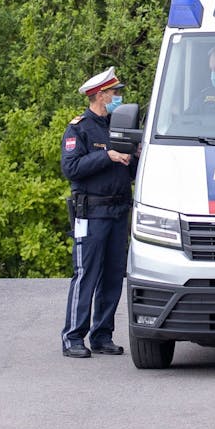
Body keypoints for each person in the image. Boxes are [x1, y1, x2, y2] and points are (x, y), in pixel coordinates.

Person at [60, 66, 137, 359]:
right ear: (101, 95)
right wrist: (106, 156)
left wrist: (135, 156)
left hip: (118, 212)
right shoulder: (79, 128)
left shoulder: (119, 127)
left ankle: (102, 334)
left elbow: (129, 170)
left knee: (113, 275)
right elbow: (71, 168)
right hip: (91, 213)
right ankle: (73, 336)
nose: (119, 98)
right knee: (86, 274)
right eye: (115, 93)